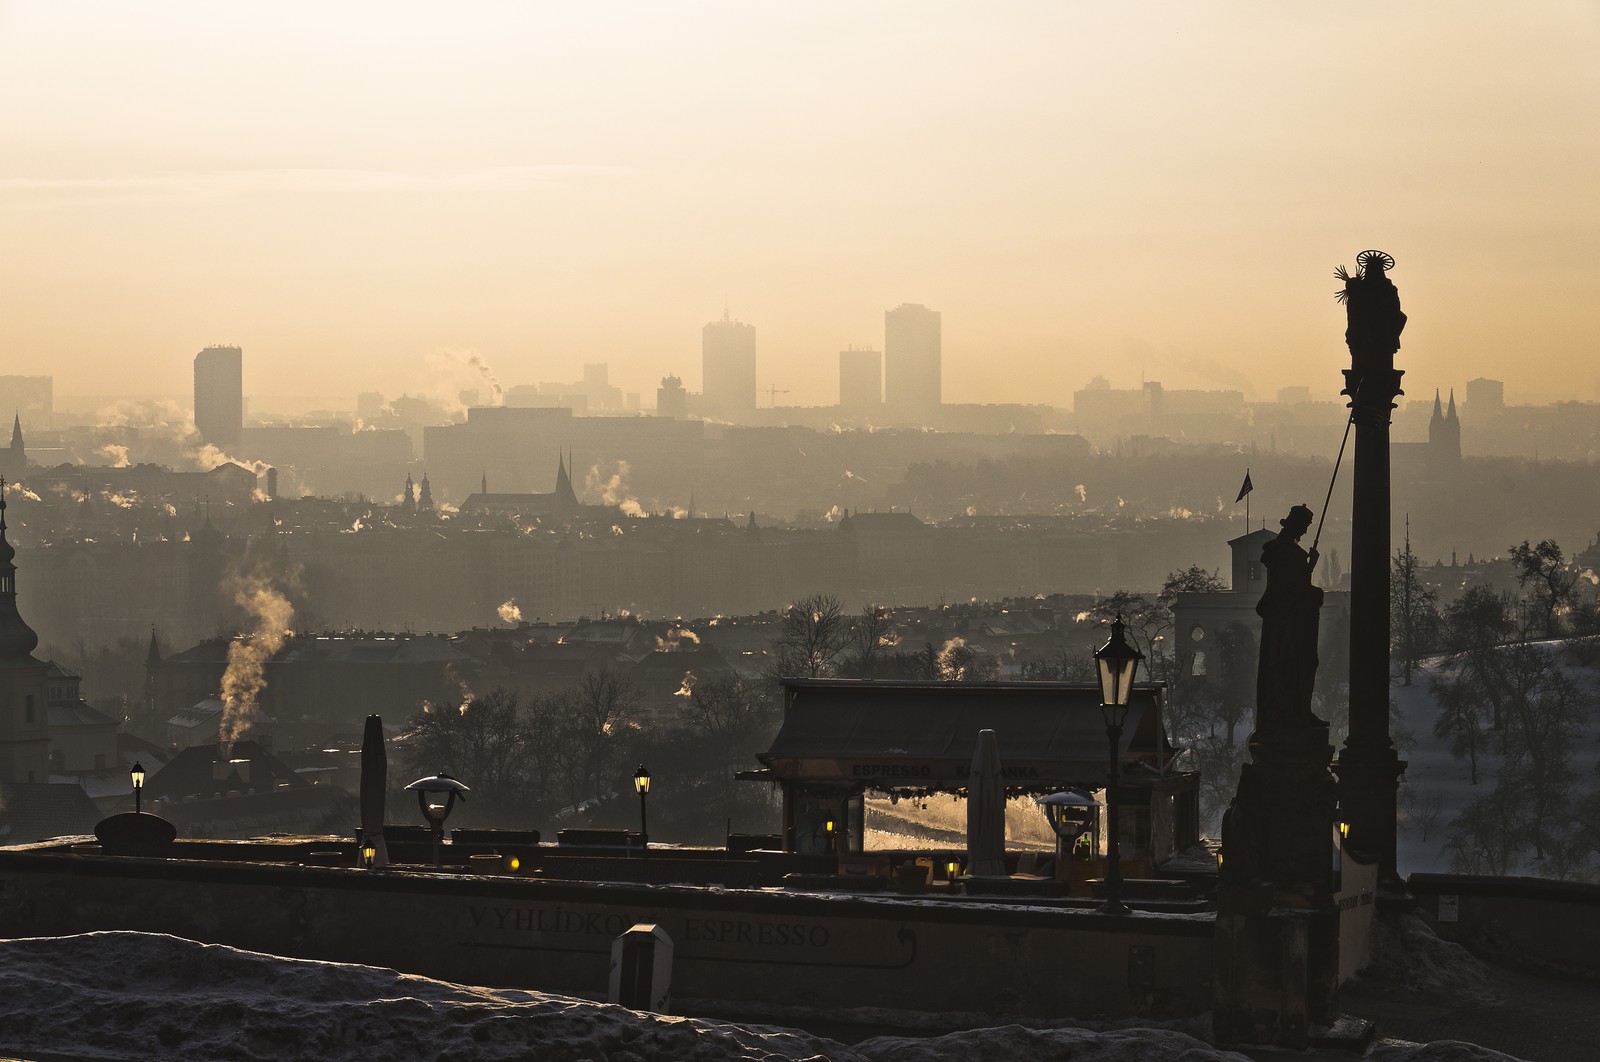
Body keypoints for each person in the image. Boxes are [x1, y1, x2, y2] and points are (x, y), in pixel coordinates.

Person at [1254, 505, 1324, 732]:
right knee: (1293, 666)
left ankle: (1299, 710)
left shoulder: (1286, 553)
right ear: (1295, 525)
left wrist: (1309, 568)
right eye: (1304, 526)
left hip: (1291, 622)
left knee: (1302, 664)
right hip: (1290, 624)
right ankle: (1293, 712)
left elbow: (1292, 584)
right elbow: (1290, 590)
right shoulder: (1287, 553)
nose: (1305, 531)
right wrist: (1315, 592)